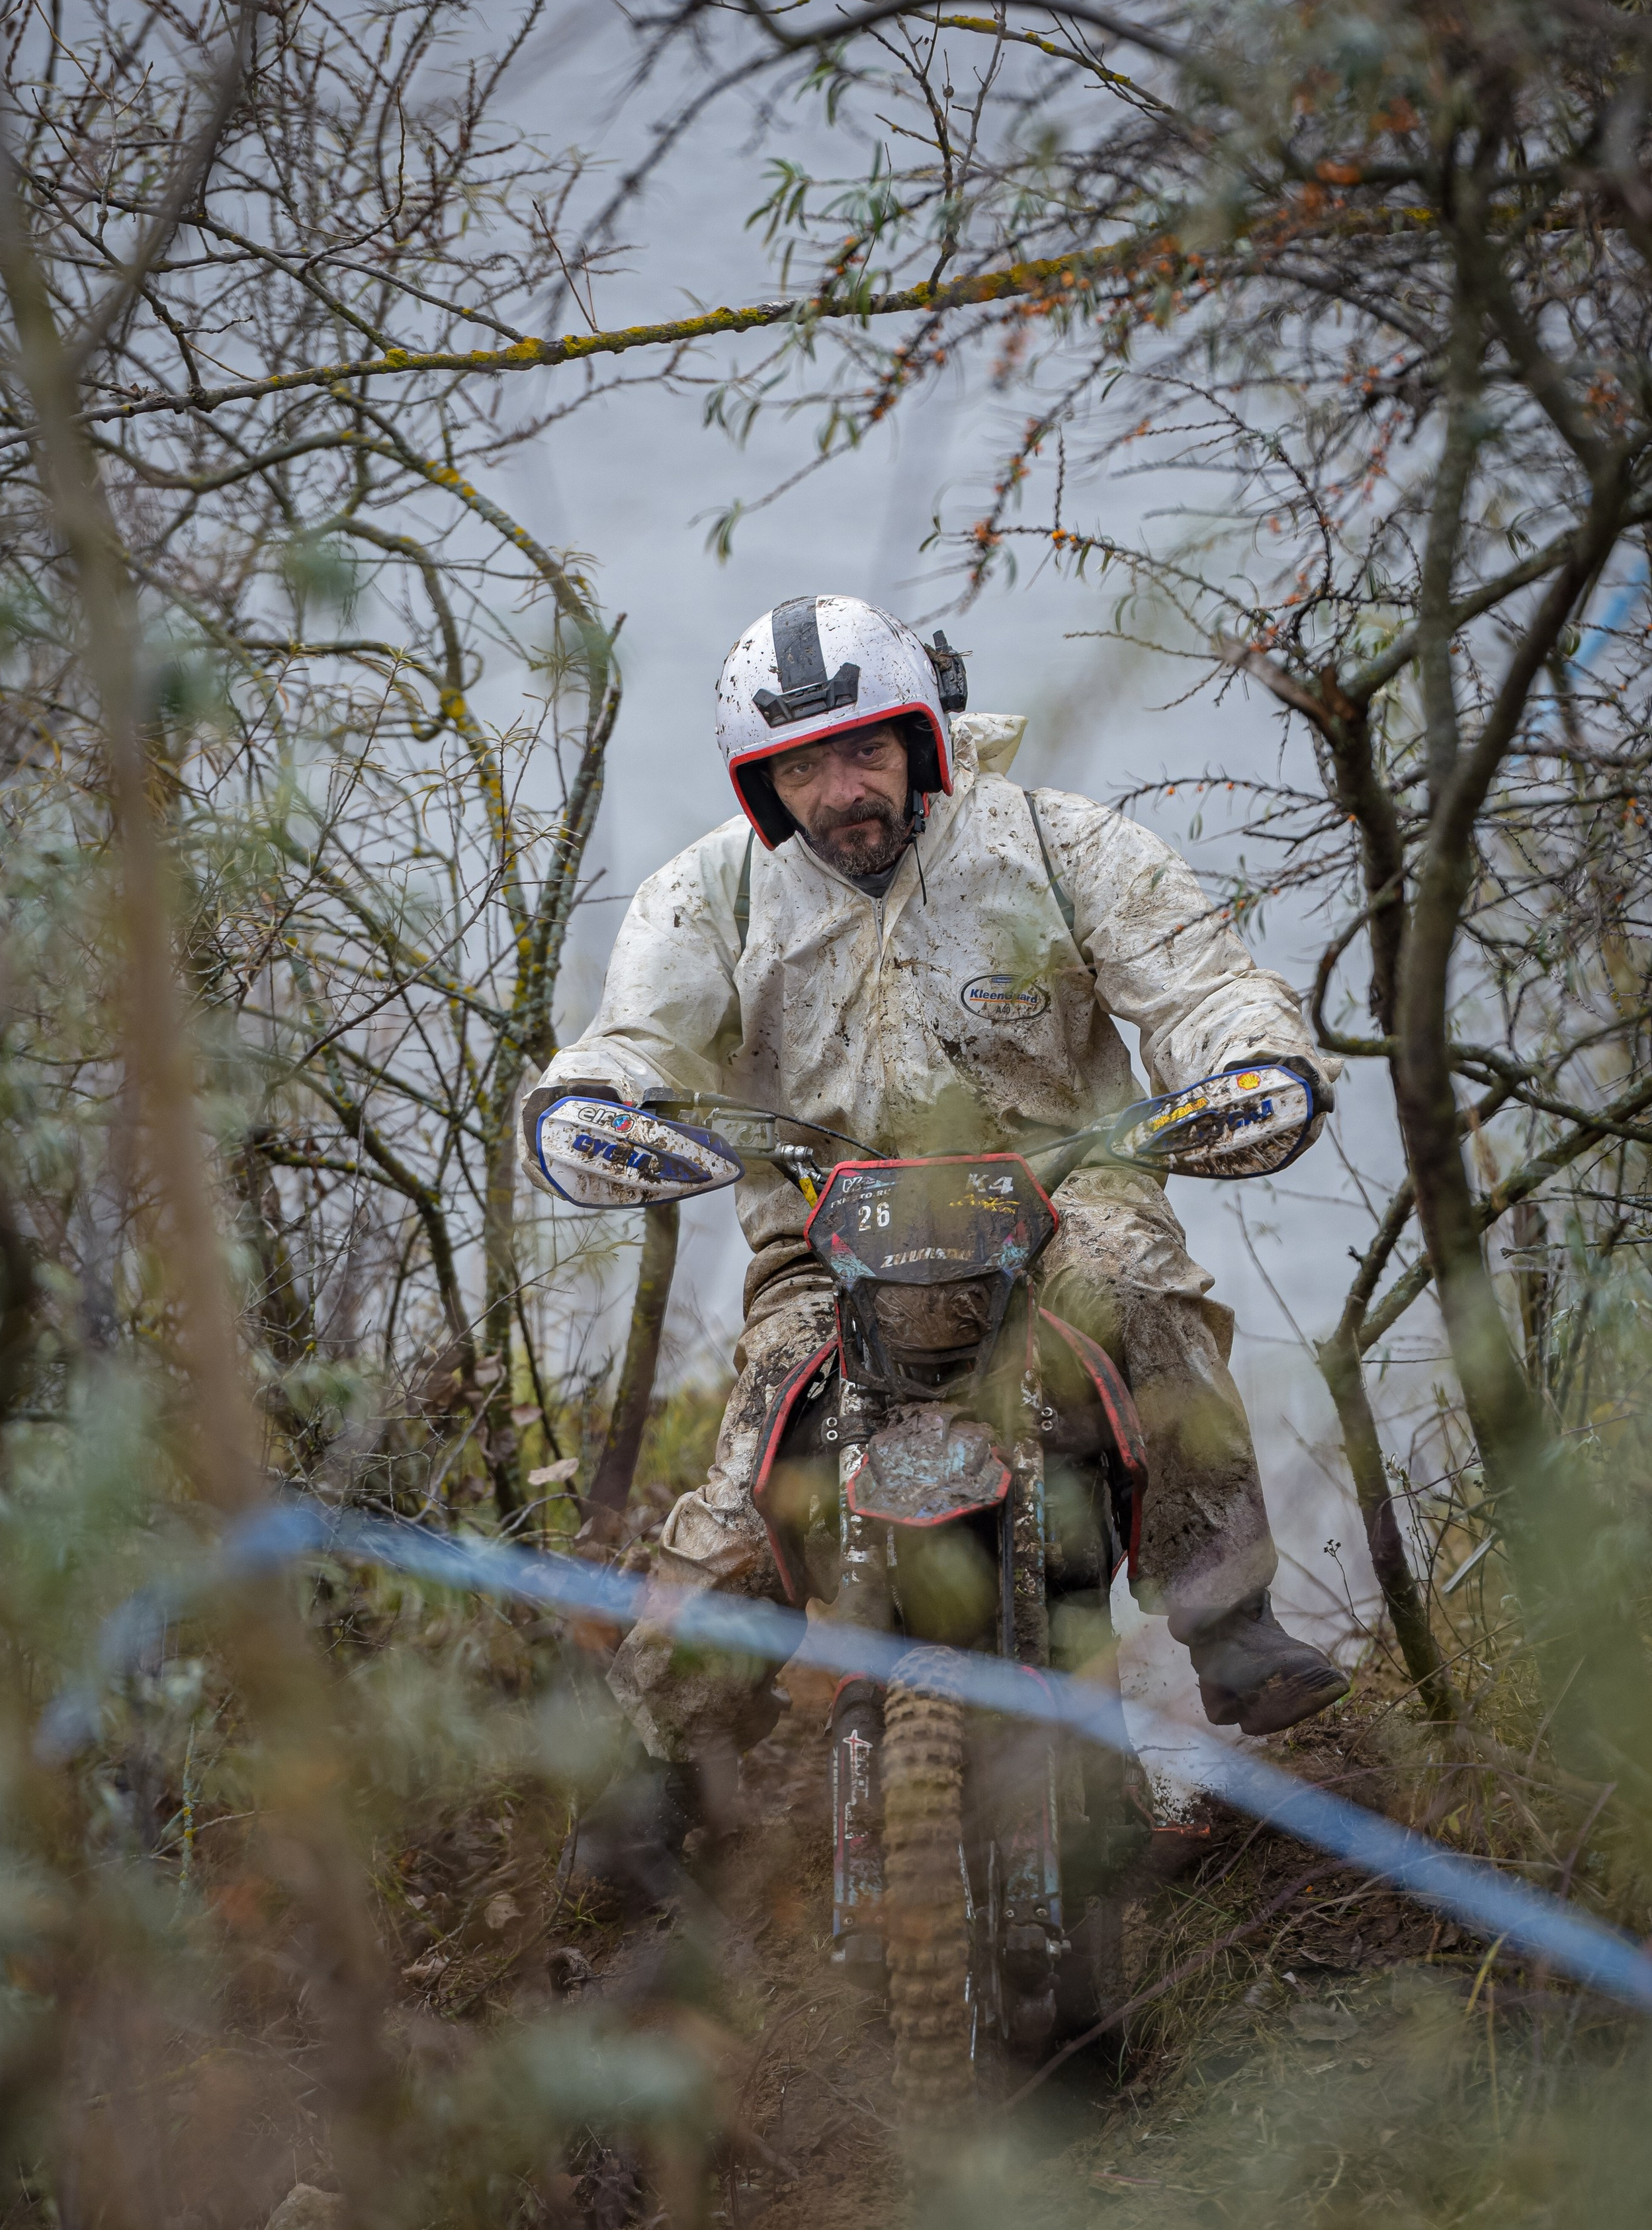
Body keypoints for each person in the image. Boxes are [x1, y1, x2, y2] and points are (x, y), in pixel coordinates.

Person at [521, 594, 1348, 1864]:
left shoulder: (1058, 844)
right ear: (761, 785)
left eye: (865, 751)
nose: (841, 791)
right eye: (802, 769)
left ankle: (1230, 1623)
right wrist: (590, 1105)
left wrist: (1252, 1061)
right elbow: (630, 1040)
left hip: (1063, 1207)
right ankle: (659, 1761)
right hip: (822, 1242)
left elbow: (1205, 987)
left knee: (1150, 1297)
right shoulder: (711, 894)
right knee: (748, 1490)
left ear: (922, 737)